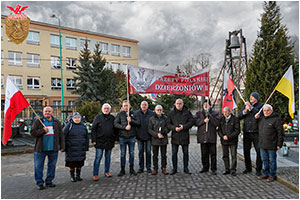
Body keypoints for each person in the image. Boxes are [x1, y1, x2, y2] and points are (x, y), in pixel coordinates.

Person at [30, 106, 65, 190]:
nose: (47, 113)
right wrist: (42, 131)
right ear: (43, 112)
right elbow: (32, 133)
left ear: (52, 112)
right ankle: (39, 183)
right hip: (40, 149)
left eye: (49, 111)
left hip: (53, 149)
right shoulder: (38, 122)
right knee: (38, 166)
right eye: (45, 111)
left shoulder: (56, 122)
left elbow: (61, 135)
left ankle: (49, 181)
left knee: (52, 166)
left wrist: (62, 146)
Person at [255, 104, 284, 182]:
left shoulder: (276, 120)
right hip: (262, 144)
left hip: (272, 144)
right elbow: (255, 128)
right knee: (264, 160)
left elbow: (280, 133)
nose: (266, 112)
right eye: (264, 110)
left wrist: (279, 144)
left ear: (271, 111)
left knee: (272, 160)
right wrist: (256, 119)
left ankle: (272, 175)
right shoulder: (261, 119)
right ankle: (266, 173)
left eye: (268, 110)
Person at [238, 92, 264, 176]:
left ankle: (258, 169)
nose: (250, 98)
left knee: (258, 151)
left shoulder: (261, 105)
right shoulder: (245, 106)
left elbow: (260, 114)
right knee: (246, 151)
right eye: (250, 97)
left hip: (256, 132)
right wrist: (245, 110)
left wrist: (251, 108)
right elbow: (239, 116)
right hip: (247, 132)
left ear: (256, 98)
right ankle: (248, 168)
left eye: (252, 97)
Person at [166, 99, 194, 175]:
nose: (178, 105)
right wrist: (174, 128)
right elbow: (168, 124)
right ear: (175, 104)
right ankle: (174, 168)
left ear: (183, 104)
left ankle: (186, 168)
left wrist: (184, 127)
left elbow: (192, 122)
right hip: (175, 136)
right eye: (177, 103)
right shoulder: (171, 113)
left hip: (184, 136)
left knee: (186, 153)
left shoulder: (187, 112)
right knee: (174, 153)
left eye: (180, 103)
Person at [91, 103, 118, 181]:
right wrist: (94, 140)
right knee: (98, 158)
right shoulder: (98, 117)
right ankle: (95, 174)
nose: (106, 110)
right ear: (102, 109)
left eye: (107, 108)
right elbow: (93, 129)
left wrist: (116, 139)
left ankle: (107, 171)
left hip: (109, 141)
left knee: (108, 158)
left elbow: (115, 129)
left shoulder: (112, 118)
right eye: (105, 108)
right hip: (99, 141)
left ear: (110, 110)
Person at [114, 100, 140, 176]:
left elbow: (138, 123)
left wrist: (131, 121)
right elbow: (115, 124)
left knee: (132, 153)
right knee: (122, 154)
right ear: (122, 106)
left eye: (127, 105)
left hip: (132, 137)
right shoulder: (119, 114)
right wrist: (124, 127)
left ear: (130, 106)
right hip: (122, 137)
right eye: (124, 106)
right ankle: (122, 169)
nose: (126, 107)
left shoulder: (134, 114)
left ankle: (131, 169)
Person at [194, 99, 220, 175]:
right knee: (204, 153)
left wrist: (210, 118)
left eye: (207, 104)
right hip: (203, 137)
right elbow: (195, 122)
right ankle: (205, 167)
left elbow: (217, 123)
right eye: (204, 104)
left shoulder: (215, 113)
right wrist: (203, 121)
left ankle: (213, 168)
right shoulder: (199, 113)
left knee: (213, 154)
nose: (205, 105)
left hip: (211, 137)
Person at [63, 112, 89, 182]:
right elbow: (63, 136)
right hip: (71, 149)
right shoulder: (69, 125)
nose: (77, 119)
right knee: (72, 164)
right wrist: (64, 146)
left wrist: (86, 146)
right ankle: (72, 176)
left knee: (79, 163)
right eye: (75, 118)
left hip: (81, 148)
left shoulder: (83, 126)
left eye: (78, 118)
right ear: (72, 118)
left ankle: (78, 176)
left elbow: (86, 137)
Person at [218, 107, 240, 176]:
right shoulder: (221, 119)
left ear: (230, 112)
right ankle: (227, 169)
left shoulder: (235, 119)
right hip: (224, 141)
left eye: (226, 112)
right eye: (224, 112)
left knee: (233, 155)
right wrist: (222, 136)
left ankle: (233, 169)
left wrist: (229, 136)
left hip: (233, 141)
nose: (225, 113)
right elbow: (219, 130)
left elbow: (237, 130)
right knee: (225, 155)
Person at [148, 105, 169, 175]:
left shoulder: (165, 118)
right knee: (155, 155)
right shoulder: (151, 119)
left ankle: (164, 168)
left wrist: (163, 132)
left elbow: (168, 127)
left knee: (163, 155)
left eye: (160, 110)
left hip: (163, 139)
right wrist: (156, 134)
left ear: (162, 110)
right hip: (155, 140)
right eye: (158, 110)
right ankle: (155, 168)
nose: (159, 111)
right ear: (155, 110)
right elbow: (149, 129)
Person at [135, 101, 154, 173]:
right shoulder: (136, 113)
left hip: (149, 136)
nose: (144, 106)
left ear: (147, 106)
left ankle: (148, 167)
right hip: (139, 136)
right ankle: (141, 167)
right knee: (140, 152)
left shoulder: (152, 113)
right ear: (140, 105)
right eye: (142, 104)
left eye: (145, 105)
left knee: (148, 152)